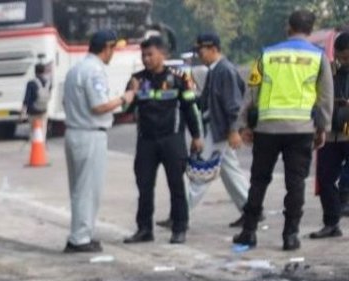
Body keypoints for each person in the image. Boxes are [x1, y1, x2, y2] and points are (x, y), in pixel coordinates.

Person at [234, 9, 334, 251]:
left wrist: (245, 124)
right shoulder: (319, 57)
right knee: (296, 183)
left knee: (258, 181)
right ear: (310, 30)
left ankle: (248, 232)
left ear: (288, 27)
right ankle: (290, 236)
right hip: (301, 129)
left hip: (267, 128)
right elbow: (325, 97)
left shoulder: (267, 54)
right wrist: (323, 128)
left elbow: (252, 91)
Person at [123, 35, 204, 245]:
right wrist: (131, 92)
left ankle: (179, 228)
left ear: (163, 54)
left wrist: (196, 136)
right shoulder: (137, 79)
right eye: (143, 55)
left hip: (172, 139)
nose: (146, 59)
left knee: (177, 186)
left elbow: (190, 108)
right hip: (146, 141)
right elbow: (125, 110)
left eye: (150, 54)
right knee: (144, 187)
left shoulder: (179, 78)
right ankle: (144, 229)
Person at [62, 30, 137, 253]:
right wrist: (125, 97)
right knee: (88, 190)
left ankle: (79, 234)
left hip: (74, 131)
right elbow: (99, 106)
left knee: (78, 189)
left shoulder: (76, 69)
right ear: (106, 47)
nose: (113, 53)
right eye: (113, 48)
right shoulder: (94, 71)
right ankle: (80, 238)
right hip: (90, 134)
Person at [182, 32, 250, 228]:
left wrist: (233, 130)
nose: (199, 55)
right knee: (230, 172)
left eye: (201, 51)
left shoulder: (224, 70)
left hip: (220, 129)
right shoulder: (216, 69)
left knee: (201, 172)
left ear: (213, 49)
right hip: (217, 127)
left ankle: (181, 213)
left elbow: (233, 104)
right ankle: (250, 209)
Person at [311, 32, 349, 238]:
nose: (345, 62)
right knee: (325, 178)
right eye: (342, 57)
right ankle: (331, 222)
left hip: (348, 128)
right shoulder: (326, 70)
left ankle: (345, 196)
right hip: (330, 130)